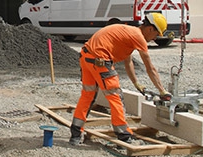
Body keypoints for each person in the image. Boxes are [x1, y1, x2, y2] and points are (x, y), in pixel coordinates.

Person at [69, 13, 170, 145]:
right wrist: (162, 91)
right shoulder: (138, 37)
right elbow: (150, 68)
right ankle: (124, 136)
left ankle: (75, 134)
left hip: (86, 57)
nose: (154, 38)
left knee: (88, 95)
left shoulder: (128, 34)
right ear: (150, 28)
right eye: (156, 34)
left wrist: (136, 83)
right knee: (115, 96)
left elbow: (128, 62)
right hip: (100, 60)